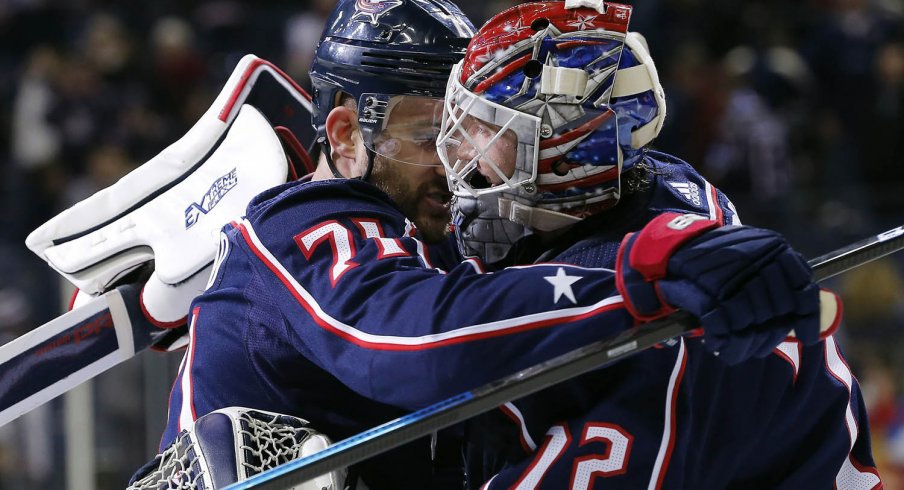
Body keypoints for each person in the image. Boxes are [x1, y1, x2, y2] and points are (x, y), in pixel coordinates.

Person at [148, 2, 864, 490]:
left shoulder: (463, 227)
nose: (459, 163)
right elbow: (417, 340)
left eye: (475, 131)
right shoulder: (301, 223)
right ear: (342, 136)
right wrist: (646, 269)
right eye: (433, 137)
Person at [432, 2, 881, 488]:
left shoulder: (646, 333)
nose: (459, 149)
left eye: (486, 126)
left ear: (565, 153)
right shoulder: (656, 181)